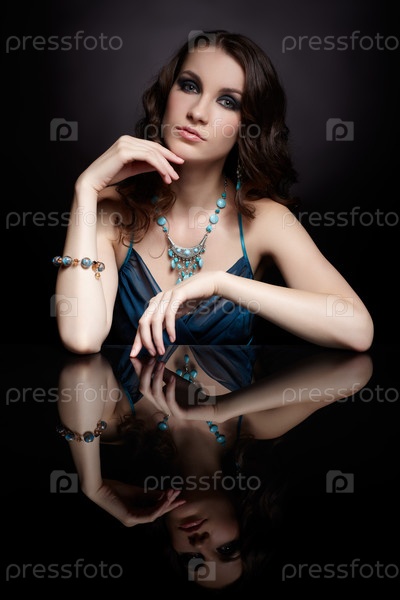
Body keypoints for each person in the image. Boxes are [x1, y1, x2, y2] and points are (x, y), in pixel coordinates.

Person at [52, 30, 374, 356]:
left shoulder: (265, 220)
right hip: (130, 392)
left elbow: (357, 329)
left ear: (247, 126)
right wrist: (85, 189)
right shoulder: (111, 209)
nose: (198, 112)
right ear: (166, 95)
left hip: (237, 392)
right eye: (189, 86)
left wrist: (222, 283)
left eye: (227, 101)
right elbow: (82, 337)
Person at [56, 343, 373, 590]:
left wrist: (92, 484)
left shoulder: (118, 426)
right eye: (226, 549)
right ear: (244, 522)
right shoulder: (258, 422)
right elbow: (354, 371)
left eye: (192, 559)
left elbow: (80, 374)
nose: (200, 544)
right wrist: (220, 408)